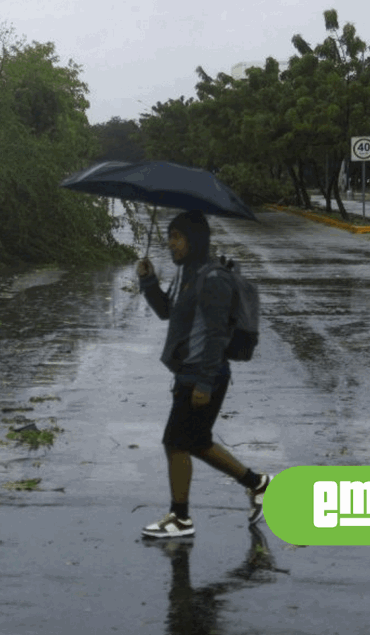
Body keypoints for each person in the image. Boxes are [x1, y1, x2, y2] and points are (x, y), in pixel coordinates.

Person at [135, 210, 271, 538]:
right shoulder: (187, 274)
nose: (171, 244)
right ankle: (258, 484)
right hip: (188, 373)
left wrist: (205, 381)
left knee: (176, 441)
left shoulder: (213, 278)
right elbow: (168, 312)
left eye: (177, 237)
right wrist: (148, 280)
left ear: (194, 240)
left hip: (204, 374)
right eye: (169, 237)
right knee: (195, 442)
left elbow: (216, 335)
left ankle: (180, 518)